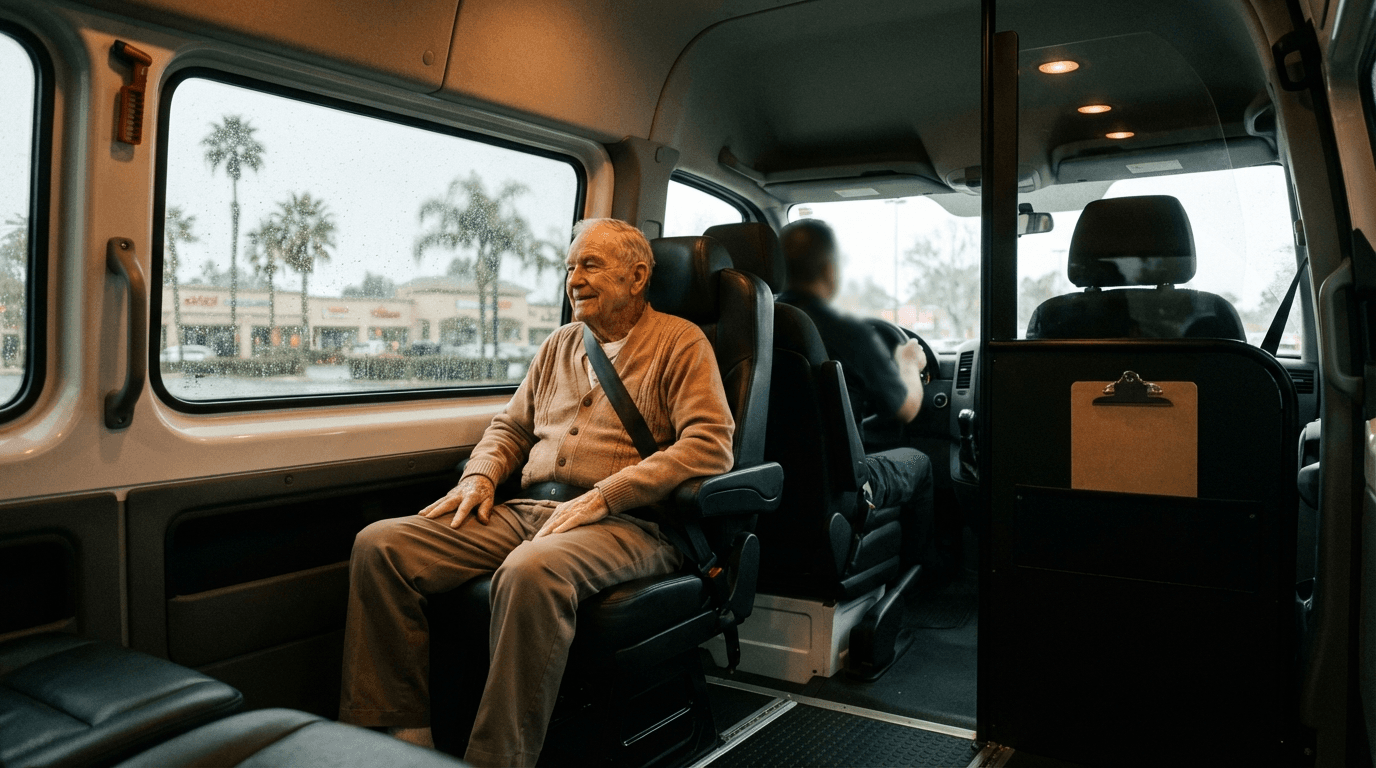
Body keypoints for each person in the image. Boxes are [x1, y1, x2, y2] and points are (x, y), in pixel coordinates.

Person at [337, 218, 736, 768]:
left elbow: (710, 446)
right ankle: (402, 736)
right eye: (570, 267)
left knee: (532, 571)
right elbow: (511, 428)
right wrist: (478, 477)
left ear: (638, 275)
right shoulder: (558, 345)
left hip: (631, 523)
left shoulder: (681, 342)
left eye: (590, 265)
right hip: (529, 510)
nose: (574, 278)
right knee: (381, 545)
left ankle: (499, 758)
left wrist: (607, 494)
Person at [776, 217, 937, 572]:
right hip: (840, 491)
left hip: (770, 492)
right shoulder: (849, 333)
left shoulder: (754, 322)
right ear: (831, 270)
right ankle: (914, 579)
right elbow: (907, 408)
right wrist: (908, 364)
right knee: (920, 463)